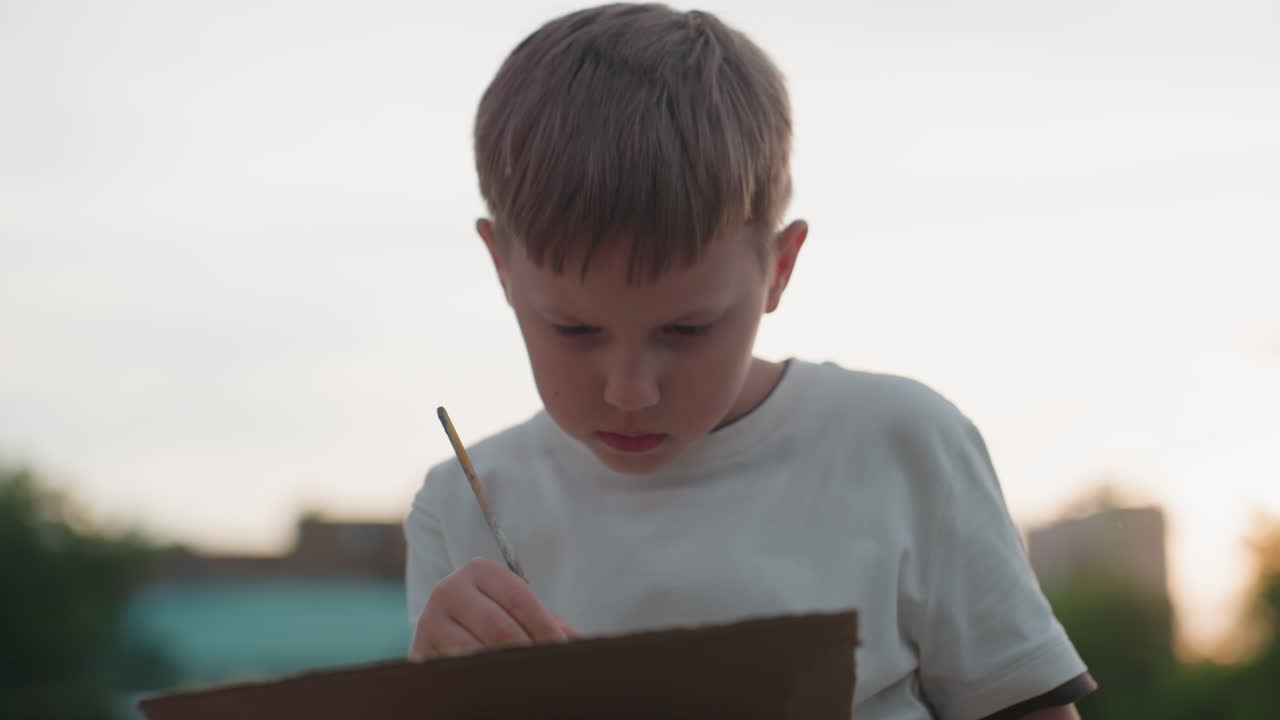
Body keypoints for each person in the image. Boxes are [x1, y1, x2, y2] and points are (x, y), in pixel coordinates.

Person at [402, 4, 1095, 718]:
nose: (631, 390)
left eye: (688, 329)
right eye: (575, 329)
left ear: (779, 268)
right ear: (501, 267)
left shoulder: (903, 445)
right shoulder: (462, 508)